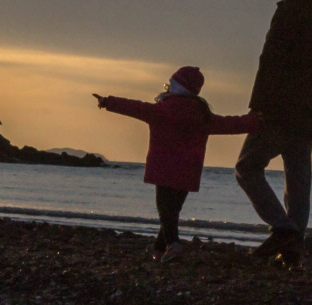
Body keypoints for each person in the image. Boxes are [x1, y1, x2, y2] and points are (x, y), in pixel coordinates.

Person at [233, 0, 312, 263]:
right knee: (297, 181)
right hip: (310, 114)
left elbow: (270, 62)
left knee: (247, 168)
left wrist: (259, 105)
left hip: (278, 108)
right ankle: (293, 250)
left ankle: (284, 231)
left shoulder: (289, 13)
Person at [94, 65, 257, 258]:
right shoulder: (203, 115)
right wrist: (256, 120)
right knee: (172, 211)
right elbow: (232, 123)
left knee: (166, 211)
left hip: (163, 169)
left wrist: (107, 101)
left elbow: (134, 107)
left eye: (170, 84)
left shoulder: (161, 110)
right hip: (188, 171)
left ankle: (173, 245)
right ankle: (159, 248)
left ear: (176, 87)